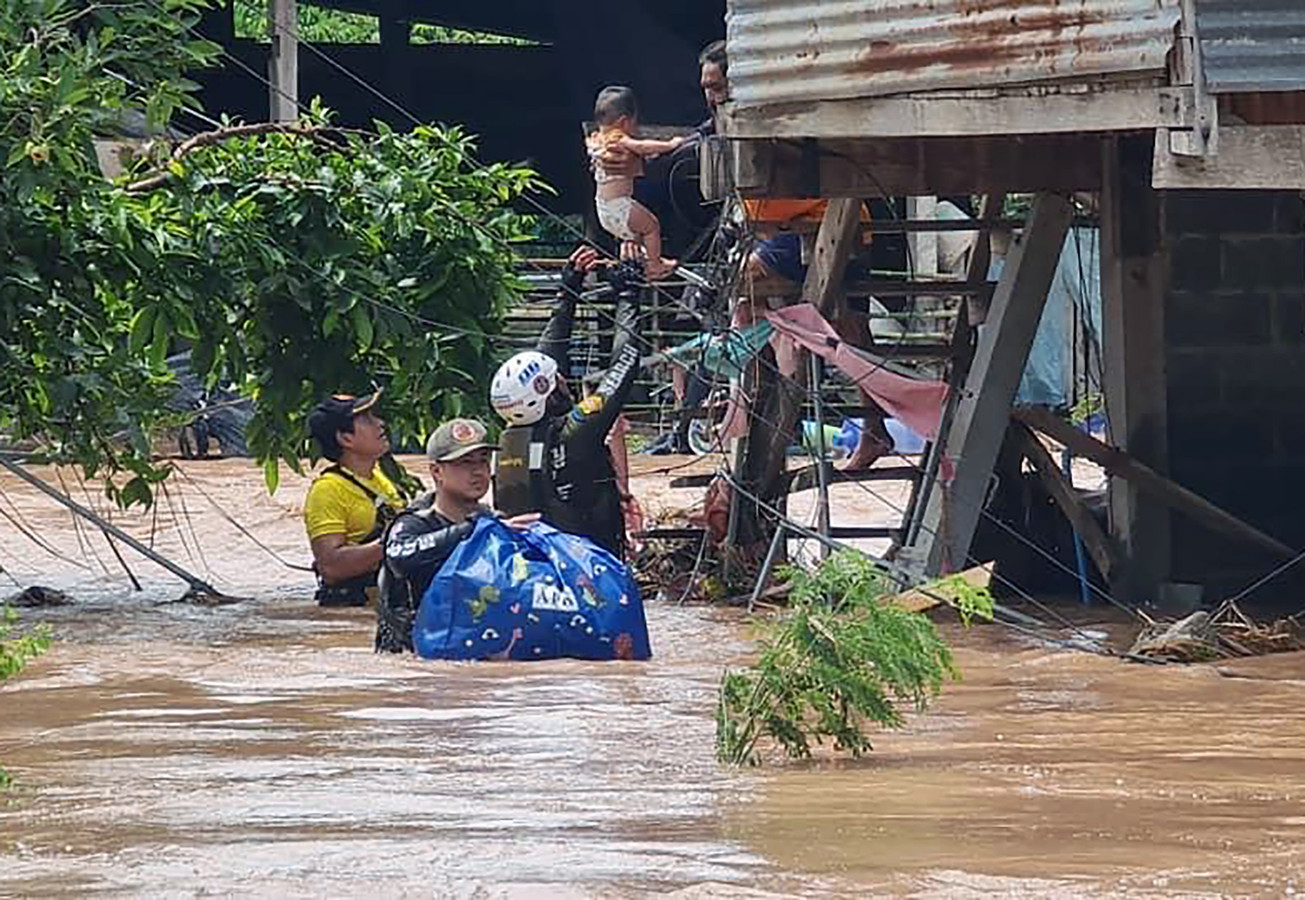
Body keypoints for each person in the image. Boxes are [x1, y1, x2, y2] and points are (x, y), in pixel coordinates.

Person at [491, 247, 640, 559]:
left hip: (538, 565)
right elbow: (622, 368)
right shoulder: (574, 432)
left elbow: (546, 361)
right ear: (548, 391)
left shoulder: (510, 439)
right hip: (589, 567)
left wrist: (568, 293)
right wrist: (628, 295)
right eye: (556, 379)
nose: (562, 378)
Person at [375, 418, 537, 654]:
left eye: (483, 461)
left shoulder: (494, 522)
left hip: (475, 651)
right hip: (415, 660)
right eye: (464, 463)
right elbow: (399, 557)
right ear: (436, 471)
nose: (478, 471)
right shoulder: (412, 525)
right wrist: (471, 530)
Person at [303, 390, 410, 607]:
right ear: (345, 438)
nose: (380, 423)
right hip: (353, 607)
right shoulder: (327, 491)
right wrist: (397, 544)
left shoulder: (378, 476)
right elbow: (331, 567)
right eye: (367, 420)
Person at [587, 85, 684, 280]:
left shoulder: (597, 140)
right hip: (620, 206)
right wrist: (671, 145)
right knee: (652, 226)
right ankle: (655, 265)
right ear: (624, 122)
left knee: (637, 234)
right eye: (634, 123)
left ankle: (644, 258)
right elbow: (642, 146)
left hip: (603, 209)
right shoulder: (618, 138)